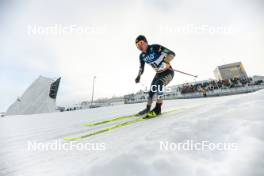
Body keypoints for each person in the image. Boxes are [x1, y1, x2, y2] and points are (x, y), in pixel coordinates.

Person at [135, 35, 175, 118]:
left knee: (159, 84)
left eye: (141, 43)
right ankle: (148, 108)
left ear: (146, 42)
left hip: (168, 72)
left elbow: (172, 53)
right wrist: (139, 75)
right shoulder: (142, 56)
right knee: (152, 90)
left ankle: (158, 108)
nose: (140, 46)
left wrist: (165, 62)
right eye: (137, 45)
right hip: (158, 74)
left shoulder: (155, 47)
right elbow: (141, 68)